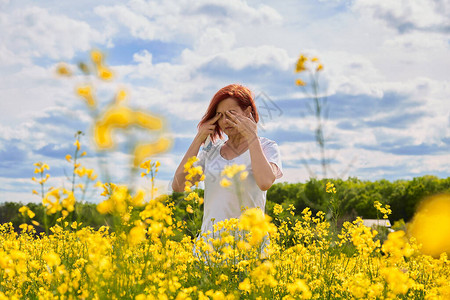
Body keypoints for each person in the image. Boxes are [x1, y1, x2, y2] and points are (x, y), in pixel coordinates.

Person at [172, 84, 283, 242]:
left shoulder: (267, 147)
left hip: (250, 248)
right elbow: (178, 185)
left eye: (231, 113)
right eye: (219, 115)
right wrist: (198, 140)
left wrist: (252, 137)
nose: (225, 121)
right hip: (210, 249)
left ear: (248, 112)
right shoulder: (211, 152)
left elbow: (265, 182)